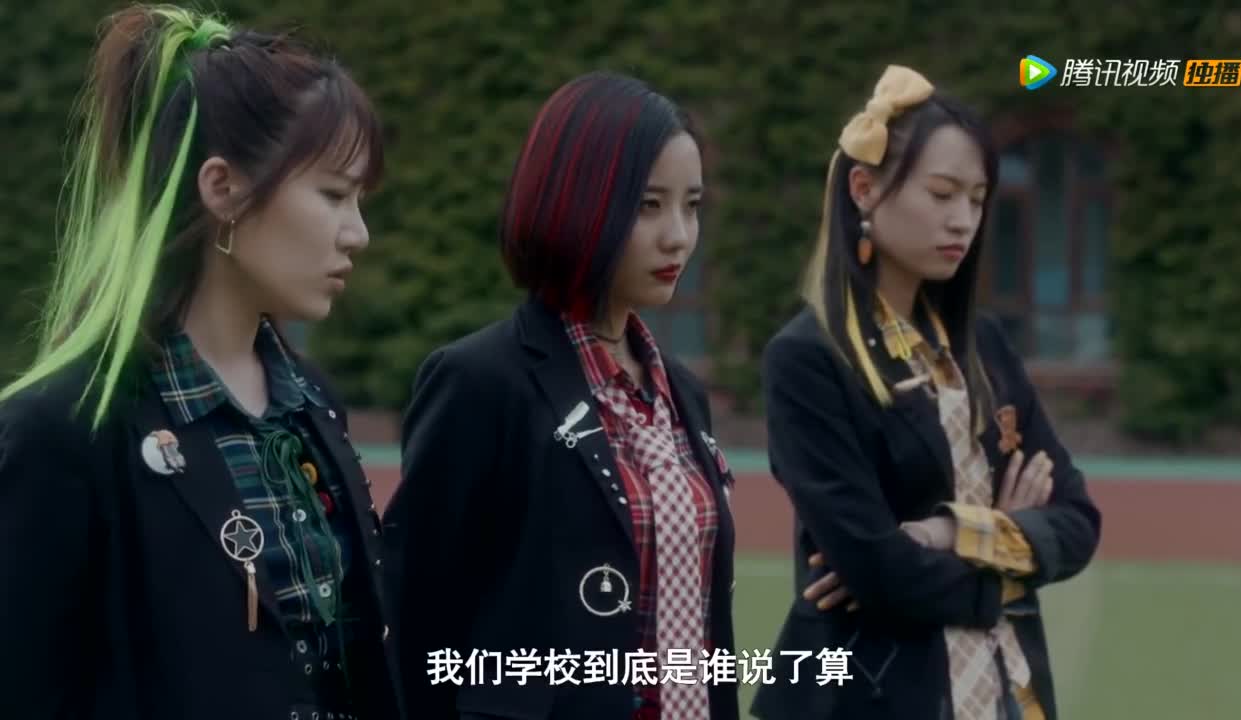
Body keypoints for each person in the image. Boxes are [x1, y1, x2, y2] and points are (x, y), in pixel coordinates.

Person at [0, 5, 401, 719]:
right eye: (334, 195)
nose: (358, 235)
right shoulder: (68, 430)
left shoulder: (311, 404)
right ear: (223, 189)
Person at [382, 72, 738, 720]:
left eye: (692, 206)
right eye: (648, 205)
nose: (679, 236)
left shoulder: (682, 393)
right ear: (575, 203)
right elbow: (418, 617)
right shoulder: (482, 381)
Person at [750, 65, 1102, 720]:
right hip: (869, 696)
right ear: (864, 189)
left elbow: (1078, 522)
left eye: (977, 199)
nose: (962, 220)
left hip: (1008, 691)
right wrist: (1011, 556)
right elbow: (879, 572)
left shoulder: (985, 347)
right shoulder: (808, 360)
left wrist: (949, 531)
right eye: (941, 194)